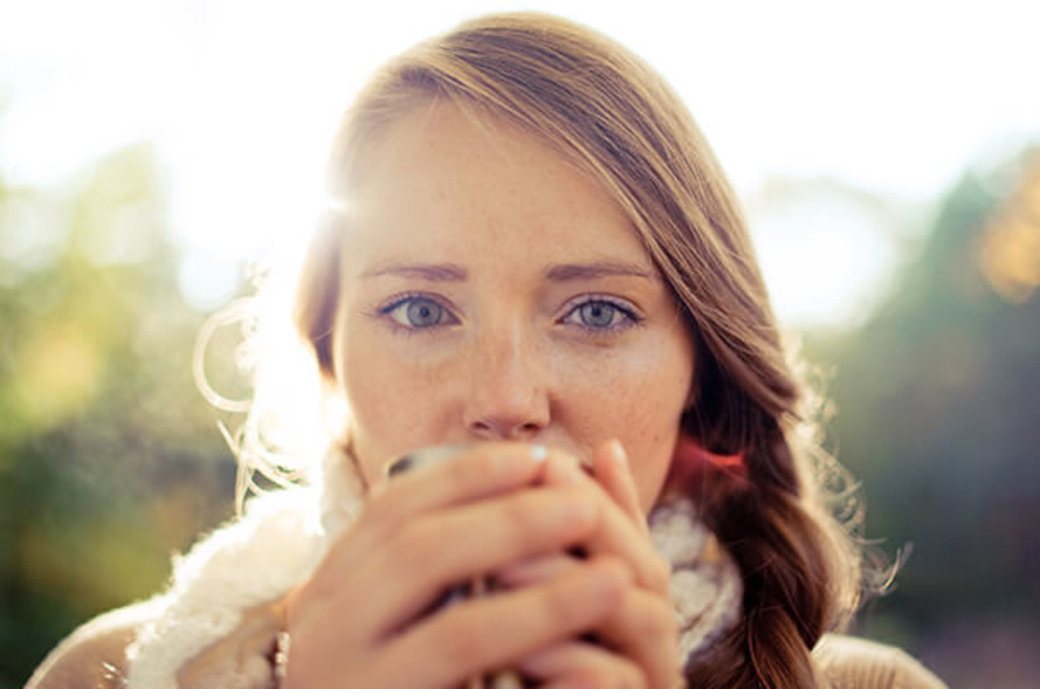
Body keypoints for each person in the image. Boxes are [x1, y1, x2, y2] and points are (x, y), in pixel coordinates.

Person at [27, 11, 947, 689]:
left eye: (595, 312)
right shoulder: (109, 673)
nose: (507, 400)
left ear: (702, 370)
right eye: (422, 310)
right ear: (329, 355)